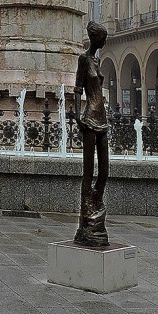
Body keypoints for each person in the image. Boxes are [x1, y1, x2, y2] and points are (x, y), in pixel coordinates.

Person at [73, 21, 110, 247]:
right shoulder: (84, 59)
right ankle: (87, 214)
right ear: (95, 39)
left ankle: (96, 203)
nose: (105, 42)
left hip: (102, 118)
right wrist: (77, 115)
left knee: (104, 171)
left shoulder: (97, 60)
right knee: (88, 172)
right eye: (103, 38)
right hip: (89, 118)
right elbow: (78, 88)